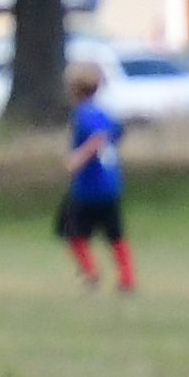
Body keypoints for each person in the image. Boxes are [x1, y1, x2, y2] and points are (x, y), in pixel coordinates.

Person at [59, 63, 133, 292]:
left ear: (75, 89)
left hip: (89, 186)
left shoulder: (84, 114)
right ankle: (126, 278)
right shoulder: (104, 113)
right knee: (114, 234)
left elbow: (98, 138)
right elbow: (117, 131)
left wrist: (79, 157)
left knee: (70, 229)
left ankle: (91, 273)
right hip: (111, 183)